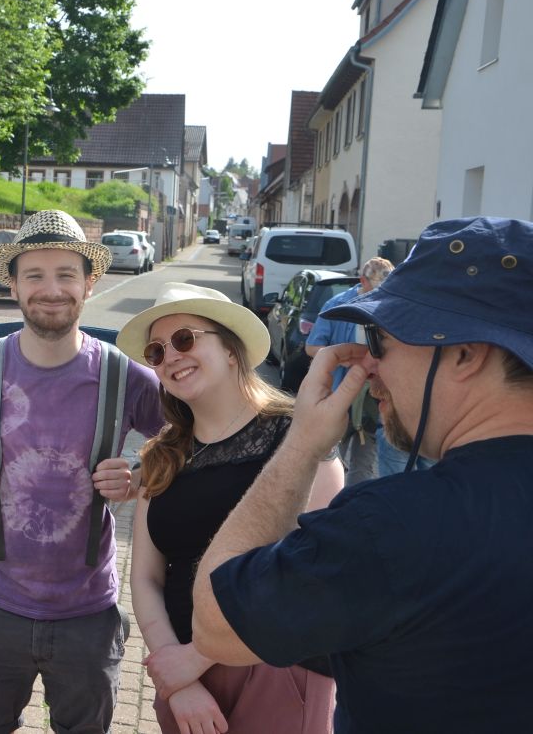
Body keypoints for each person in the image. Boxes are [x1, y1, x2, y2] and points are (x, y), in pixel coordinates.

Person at [191, 217, 533, 731]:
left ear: (464, 353)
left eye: (380, 339)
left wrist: (303, 443)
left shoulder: (394, 527)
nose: (368, 364)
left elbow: (215, 623)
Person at [0, 209, 164, 734]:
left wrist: (139, 478)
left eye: (66, 274)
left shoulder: (126, 377)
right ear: (14, 286)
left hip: (88, 613)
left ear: (89, 284)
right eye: (35, 275)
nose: (51, 290)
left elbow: (185, 444)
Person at [118, 283, 340, 734]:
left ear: (231, 350)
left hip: (278, 666)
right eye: (157, 351)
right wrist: (177, 677)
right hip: (185, 681)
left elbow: (316, 572)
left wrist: (197, 658)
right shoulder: (162, 455)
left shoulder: (298, 433)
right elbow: (145, 577)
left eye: (184, 339)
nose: (170, 356)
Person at [307, 256, 428, 480]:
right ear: (362, 281)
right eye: (376, 289)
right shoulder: (336, 305)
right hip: (340, 396)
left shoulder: (393, 306)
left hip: (375, 399)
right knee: (331, 460)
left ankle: (349, 501)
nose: (381, 296)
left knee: (362, 464)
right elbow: (312, 347)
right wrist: (343, 359)